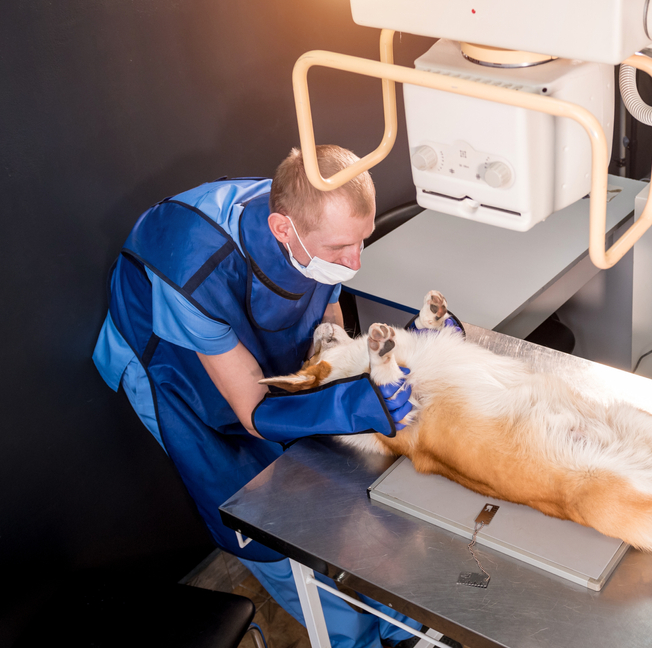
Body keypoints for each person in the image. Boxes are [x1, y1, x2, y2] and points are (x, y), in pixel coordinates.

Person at [93, 145, 426, 647]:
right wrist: (348, 404)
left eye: (363, 240)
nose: (354, 261)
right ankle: (350, 638)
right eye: (341, 249)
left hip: (246, 333)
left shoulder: (315, 227)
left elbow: (326, 300)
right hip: (170, 361)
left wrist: (334, 350)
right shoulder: (197, 269)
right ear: (281, 230)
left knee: (338, 470)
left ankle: (396, 621)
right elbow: (253, 412)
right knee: (260, 505)